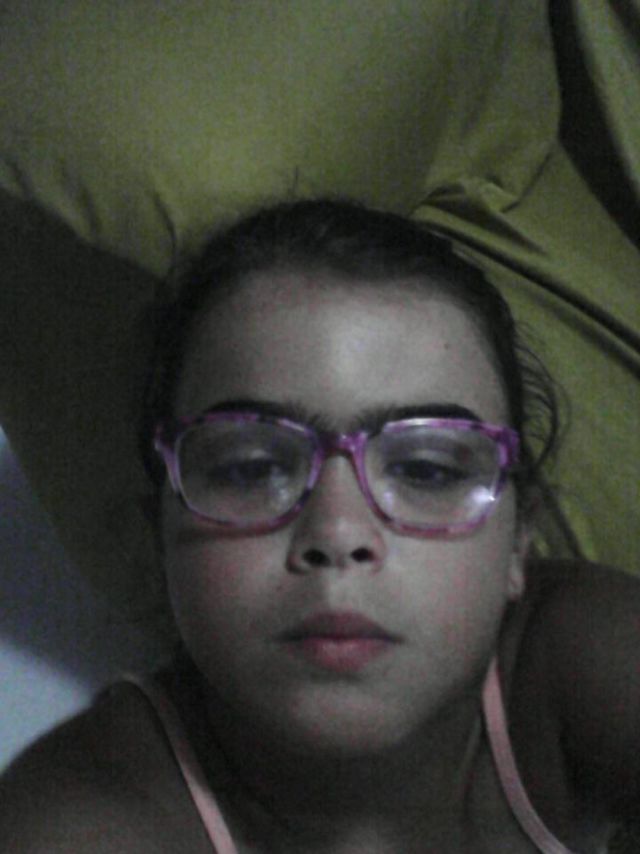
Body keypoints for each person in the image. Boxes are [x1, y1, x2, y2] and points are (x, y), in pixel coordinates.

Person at [1, 199, 638, 853]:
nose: (337, 532)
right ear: (157, 536)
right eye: (250, 468)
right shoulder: (75, 822)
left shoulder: (579, 654)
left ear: (518, 538)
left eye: (426, 469)